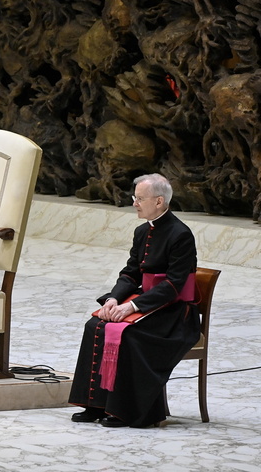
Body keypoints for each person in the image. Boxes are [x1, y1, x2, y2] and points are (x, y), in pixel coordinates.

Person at [69, 174, 200, 427]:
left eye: (140, 199)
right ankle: (96, 405)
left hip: (175, 314)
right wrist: (114, 299)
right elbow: (131, 273)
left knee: (129, 335)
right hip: (149, 304)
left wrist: (132, 306)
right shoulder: (142, 231)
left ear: (159, 201)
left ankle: (125, 410)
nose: (135, 203)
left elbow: (173, 285)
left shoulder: (181, 234)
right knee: (95, 326)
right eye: (135, 198)